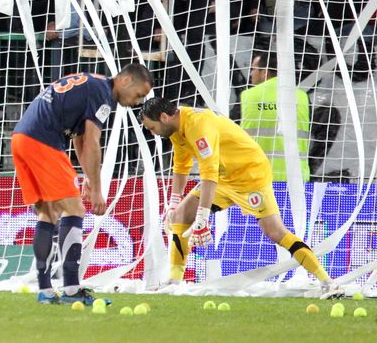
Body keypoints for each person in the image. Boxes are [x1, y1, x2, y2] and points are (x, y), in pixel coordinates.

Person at [138, 97, 344, 299]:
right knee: (181, 214)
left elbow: (208, 172)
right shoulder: (176, 129)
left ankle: (328, 282)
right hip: (224, 177)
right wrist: (173, 204)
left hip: (250, 177)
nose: (151, 132)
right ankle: (174, 283)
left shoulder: (198, 125)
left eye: (151, 127)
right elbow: (181, 166)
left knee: (275, 232)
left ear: (164, 117)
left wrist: (202, 216)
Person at [11, 63, 153, 305]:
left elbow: (79, 139)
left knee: (48, 212)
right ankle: (71, 289)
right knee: (75, 210)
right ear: (126, 80)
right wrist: (97, 190)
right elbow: (92, 141)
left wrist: (88, 175)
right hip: (44, 140)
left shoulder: (93, 83)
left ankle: (45, 291)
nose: (138, 102)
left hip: (22, 137)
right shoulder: (104, 95)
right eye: (139, 94)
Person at [240, 51, 310, 181]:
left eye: (253, 69)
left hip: (257, 176)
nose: (251, 74)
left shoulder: (248, 96)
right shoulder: (302, 97)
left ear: (264, 72)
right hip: (297, 176)